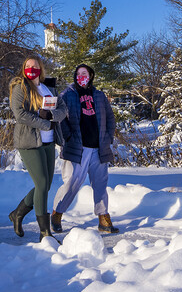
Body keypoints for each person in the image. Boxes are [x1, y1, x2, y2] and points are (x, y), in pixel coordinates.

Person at [51, 63, 119, 234]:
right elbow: (59, 118)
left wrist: (108, 137)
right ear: (75, 76)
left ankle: (103, 217)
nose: (82, 76)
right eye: (79, 73)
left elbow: (110, 118)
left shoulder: (99, 95)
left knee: (101, 184)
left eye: (85, 73)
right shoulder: (67, 95)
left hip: (98, 148)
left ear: (90, 76)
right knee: (71, 184)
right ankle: (56, 213)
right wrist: (68, 136)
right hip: (77, 148)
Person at [8, 56, 68, 241]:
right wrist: (44, 123)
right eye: (27, 66)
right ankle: (45, 233)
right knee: (42, 183)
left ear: (40, 68)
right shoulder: (20, 87)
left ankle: (18, 213)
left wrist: (51, 114)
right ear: (23, 68)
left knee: (46, 185)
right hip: (29, 141)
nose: (31, 69)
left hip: (48, 141)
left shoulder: (48, 88)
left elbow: (63, 110)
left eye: (35, 66)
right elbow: (20, 115)